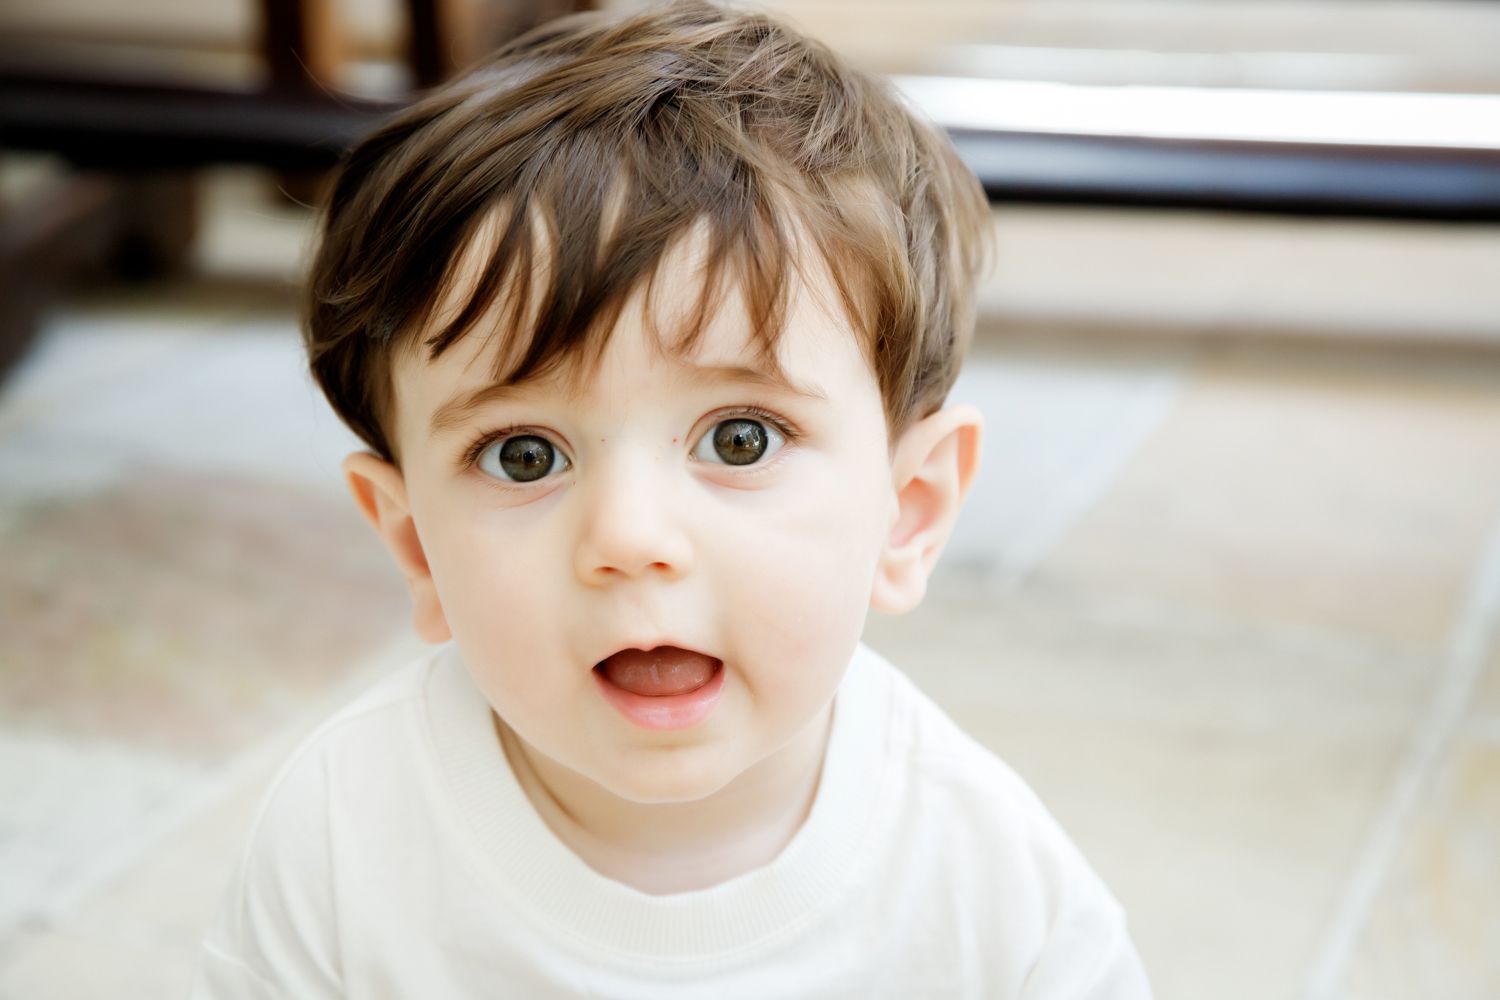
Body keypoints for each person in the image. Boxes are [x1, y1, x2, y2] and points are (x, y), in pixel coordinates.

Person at [192, 1, 1151, 996]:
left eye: (741, 439)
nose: (630, 538)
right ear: (416, 544)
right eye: (524, 455)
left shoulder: (986, 880)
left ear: (907, 510)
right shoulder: (345, 838)